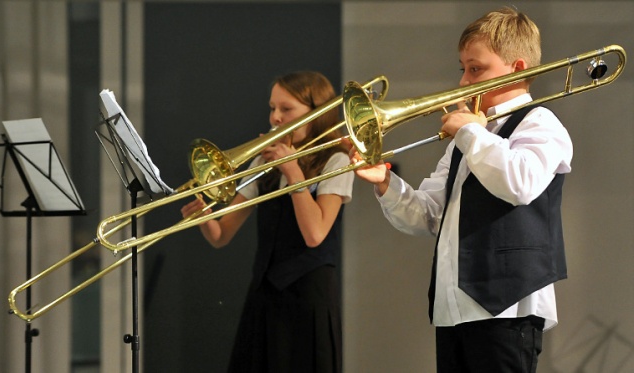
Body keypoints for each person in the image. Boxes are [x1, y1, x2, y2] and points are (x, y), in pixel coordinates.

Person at [351, 7, 573, 373]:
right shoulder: (469, 141)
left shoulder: (539, 122)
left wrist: (471, 134)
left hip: (508, 310)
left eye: (476, 69)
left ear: (518, 69)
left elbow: (521, 182)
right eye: (463, 69)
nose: (463, 83)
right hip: (454, 309)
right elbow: (428, 214)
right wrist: (386, 184)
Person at [181, 71, 352, 373]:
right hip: (265, 295)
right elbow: (221, 235)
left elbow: (315, 234)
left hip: (309, 298)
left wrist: (293, 171)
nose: (275, 118)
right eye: (273, 108)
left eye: (287, 110)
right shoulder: (263, 160)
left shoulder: (335, 160)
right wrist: (204, 216)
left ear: (317, 113)